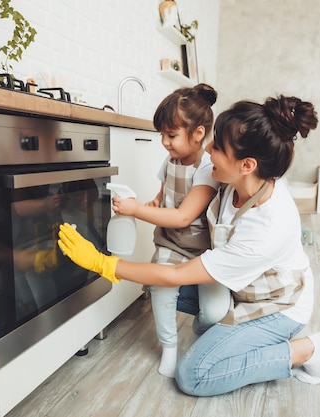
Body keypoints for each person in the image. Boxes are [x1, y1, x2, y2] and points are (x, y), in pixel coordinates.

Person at [58, 94, 320, 396]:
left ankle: (307, 350)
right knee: (154, 284)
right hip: (240, 288)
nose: (208, 151)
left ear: (247, 164)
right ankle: (232, 338)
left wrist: (102, 263)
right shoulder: (228, 180)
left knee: (193, 376)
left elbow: (176, 274)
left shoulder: (267, 226)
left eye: (217, 147)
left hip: (276, 306)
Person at [112, 83, 230, 378]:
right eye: (162, 134)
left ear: (198, 133)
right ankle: (169, 346)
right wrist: (154, 200)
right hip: (171, 243)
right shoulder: (171, 159)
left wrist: (136, 209)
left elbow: (182, 216)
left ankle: (200, 332)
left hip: (205, 251)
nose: (164, 142)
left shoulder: (207, 168)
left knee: (215, 312)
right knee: (161, 291)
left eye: (171, 135)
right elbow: (166, 194)